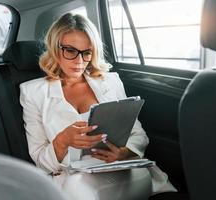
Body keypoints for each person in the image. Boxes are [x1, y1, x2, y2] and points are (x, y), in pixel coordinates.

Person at [20, 13, 175, 199]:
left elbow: (138, 134)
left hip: (122, 173)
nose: (79, 61)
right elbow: (41, 161)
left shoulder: (110, 81)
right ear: (54, 48)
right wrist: (62, 141)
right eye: (70, 50)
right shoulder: (32, 92)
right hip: (74, 184)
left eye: (86, 52)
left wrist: (124, 153)